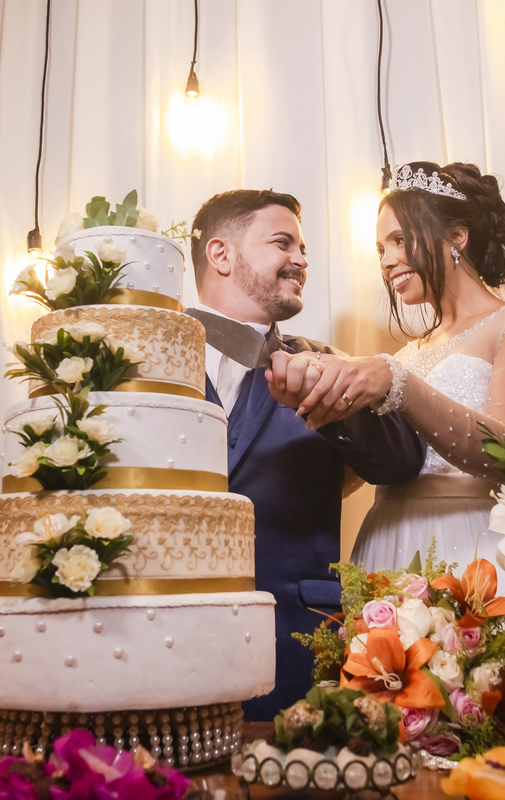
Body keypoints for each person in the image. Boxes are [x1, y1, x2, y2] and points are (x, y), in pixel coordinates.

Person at [268, 162, 505, 720]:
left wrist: (395, 384)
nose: (385, 261)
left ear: (458, 235)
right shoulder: (406, 354)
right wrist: (322, 413)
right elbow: (372, 470)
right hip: (392, 553)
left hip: (485, 554)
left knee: (495, 730)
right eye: (380, 248)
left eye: (399, 240)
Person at [186, 189, 426, 721]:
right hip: (161, 639)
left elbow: (402, 464)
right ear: (220, 254)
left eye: (303, 247)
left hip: (297, 641)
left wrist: (335, 405)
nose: (301, 260)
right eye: (282, 242)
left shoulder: (327, 363)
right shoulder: (148, 359)